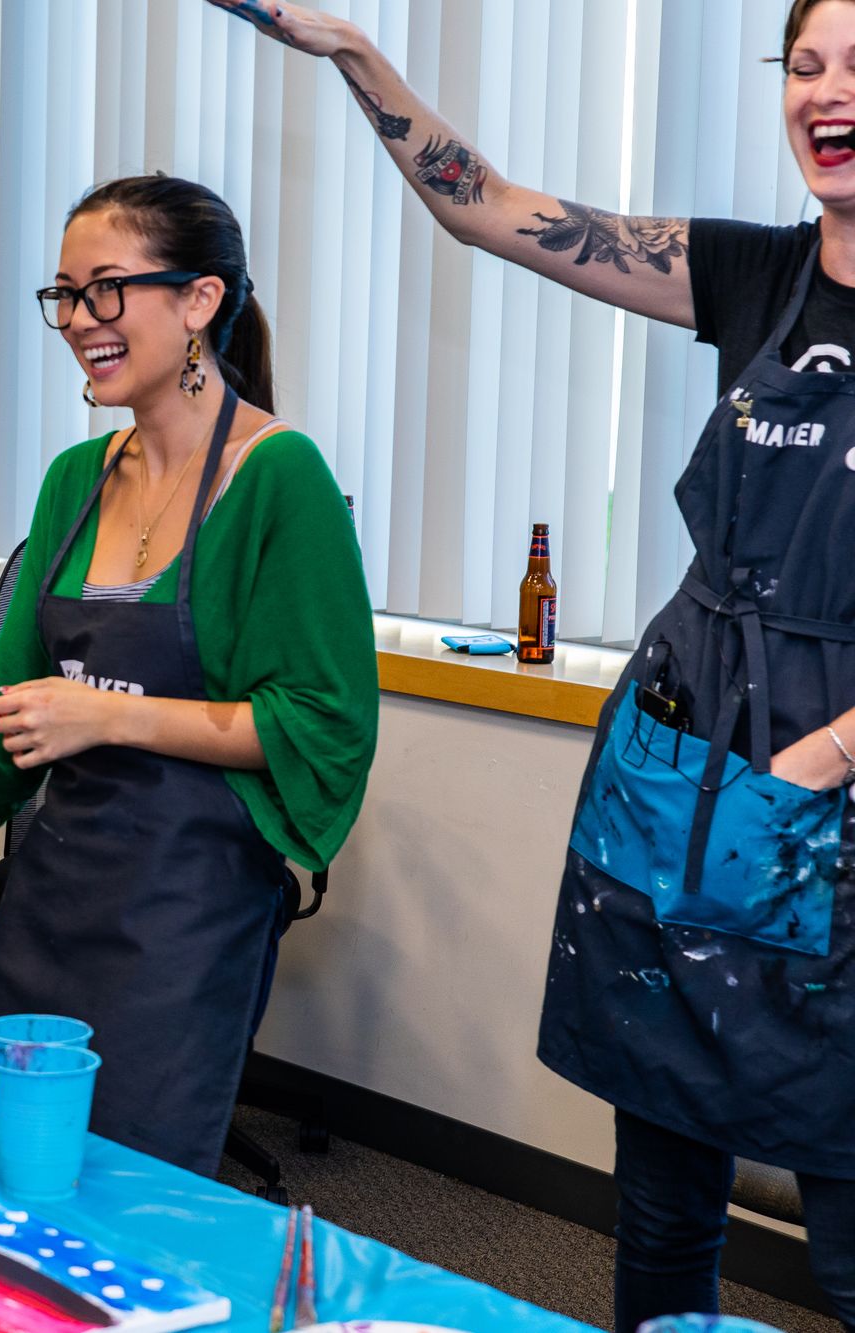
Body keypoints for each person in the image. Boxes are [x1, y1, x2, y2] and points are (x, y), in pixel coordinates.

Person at [213, 0, 855, 1324]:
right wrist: (352, 52)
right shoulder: (755, 276)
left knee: (843, 1189)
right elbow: (489, 204)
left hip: (826, 789)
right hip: (683, 765)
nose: (826, 92)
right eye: (804, 64)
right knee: (668, 1181)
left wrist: (817, 762)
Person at [0, 174, 379, 1177]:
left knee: (128, 1192)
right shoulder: (73, 479)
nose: (77, 321)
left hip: (187, 909)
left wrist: (102, 714)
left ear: (198, 301)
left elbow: (316, 722)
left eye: (105, 290)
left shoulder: (279, 477)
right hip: (51, 894)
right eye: (63, 294)